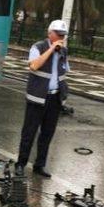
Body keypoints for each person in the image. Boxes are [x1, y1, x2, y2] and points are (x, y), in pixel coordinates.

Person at [15, 19, 70, 178]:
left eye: (63, 35)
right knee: (29, 133)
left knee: (47, 133)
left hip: (54, 99)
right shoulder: (38, 47)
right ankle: (21, 164)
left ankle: (39, 165)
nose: (61, 37)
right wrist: (51, 49)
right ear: (49, 33)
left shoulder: (64, 52)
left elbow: (64, 72)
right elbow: (34, 66)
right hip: (37, 97)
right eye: (58, 34)